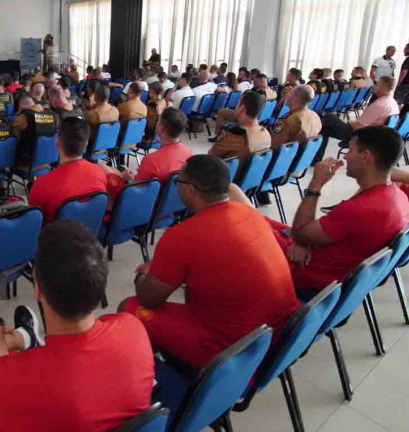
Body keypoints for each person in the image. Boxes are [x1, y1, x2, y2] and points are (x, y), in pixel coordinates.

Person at [0, 220, 153, 432]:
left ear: (37, 289)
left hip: (18, 410)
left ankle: (21, 338)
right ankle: (24, 338)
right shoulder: (134, 328)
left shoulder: (9, 384)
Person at [120, 154, 299, 369]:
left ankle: (146, 375)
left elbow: (148, 298)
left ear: (191, 190)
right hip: (283, 334)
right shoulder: (248, 212)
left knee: (130, 307)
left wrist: (144, 274)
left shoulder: (181, 236)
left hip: (236, 349)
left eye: (179, 182)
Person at [265, 127, 409, 297]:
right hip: (332, 270)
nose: (345, 156)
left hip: (306, 274)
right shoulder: (398, 196)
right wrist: (303, 239)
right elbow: (307, 234)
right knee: (260, 220)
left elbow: (301, 232)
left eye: (350, 149)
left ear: (366, 156)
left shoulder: (360, 209)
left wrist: (316, 184)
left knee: (250, 223)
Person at [99, 108, 193, 199]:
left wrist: (129, 178)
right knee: (118, 169)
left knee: (102, 167)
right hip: (167, 200)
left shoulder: (152, 160)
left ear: (161, 129)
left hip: (144, 201)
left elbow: (137, 188)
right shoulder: (188, 153)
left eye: (158, 121)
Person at [29, 117, 107, 224]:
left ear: (57, 143)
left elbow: (34, 224)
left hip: (55, 239)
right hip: (89, 235)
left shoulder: (42, 184)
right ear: (86, 144)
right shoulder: (99, 173)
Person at [315, 76, 400, 159]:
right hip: (377, 136)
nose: (374, 86)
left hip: (363, 136)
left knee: (330, 117)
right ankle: (315, 157)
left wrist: (350, 122)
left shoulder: (379, 105)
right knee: (323, 129)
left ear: (384, 87)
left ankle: (312, 152)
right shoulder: (392, 103)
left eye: (377, 84)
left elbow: (357, 126)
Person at [209, 91, 271, 168]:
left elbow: (211, 157)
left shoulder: (232, 138)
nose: (235, 107)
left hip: (228, 178)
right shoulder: (265, 134)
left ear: (242, 108)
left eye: (237, 105)